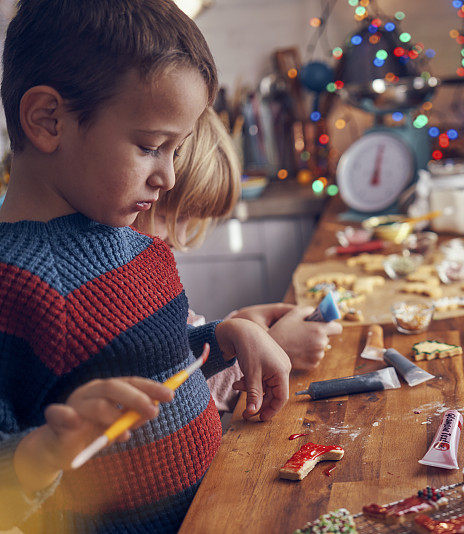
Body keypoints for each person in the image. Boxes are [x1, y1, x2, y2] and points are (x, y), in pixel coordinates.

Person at [0, 1, 291, 532]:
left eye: (176, 151)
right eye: (152, 147)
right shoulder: (17, 283)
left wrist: (224, 337)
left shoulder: (137, 246)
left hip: (214, 511)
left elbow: (157, 369)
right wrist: (44, 450)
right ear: (47, 120)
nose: (169, 178)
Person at [133, 107, 342, 412]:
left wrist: (237, 331)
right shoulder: (124, 278)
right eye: (168, 216)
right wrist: (276, 348)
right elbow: (171, 390)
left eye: (190, 220)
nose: (175, 238)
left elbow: (185, 342)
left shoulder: (150, 266)